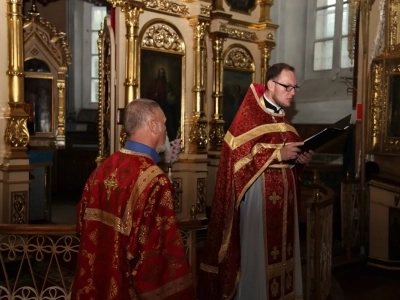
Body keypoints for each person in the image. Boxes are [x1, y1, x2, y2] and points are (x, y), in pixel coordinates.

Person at [198, 63, 313, 300]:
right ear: (271, 85)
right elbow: (236, 161)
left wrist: (299, 159)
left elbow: (288, 161)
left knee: (286, 254)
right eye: (287, 86)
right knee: (259, 258)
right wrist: (277, 154)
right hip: (257, 202)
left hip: (285, 206)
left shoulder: (284, 120)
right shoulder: (248, 117)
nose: (292, 92)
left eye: (295, 87)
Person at [71, 99, 195, 300]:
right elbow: (158, 255)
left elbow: (81, 224)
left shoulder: (102, 169)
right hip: (125, 289)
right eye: (163, 124)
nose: (165, 130)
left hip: (95, 284)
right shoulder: (155, 180)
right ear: (153, 125)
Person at [147, 68, 179, 140]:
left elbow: (172, 97)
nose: (161, 75)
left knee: (169, 124)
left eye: (163, 73)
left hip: (166, 108)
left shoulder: (168, 84)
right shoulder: (154, 84)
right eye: (160, 73)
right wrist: (155, 95)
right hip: (157, 108)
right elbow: (150, 97)